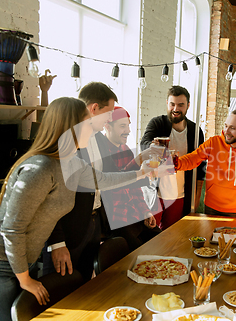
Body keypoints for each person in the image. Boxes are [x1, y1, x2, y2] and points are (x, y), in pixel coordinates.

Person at [0, 97, 153, 321]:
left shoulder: (71, 162)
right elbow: (12, 229)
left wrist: (142, 173)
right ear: (70, 127)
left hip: (21, 262)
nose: (93, 128)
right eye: (87, 123)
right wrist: (25, 279)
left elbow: (103, 180)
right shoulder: (40, 168)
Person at [43, 82, 164, 281]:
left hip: (92, 225)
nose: (110, 118)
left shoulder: (98, 140)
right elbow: (51, 198)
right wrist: (57, 242)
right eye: (109, 114)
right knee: (62, 289)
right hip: (68, 232)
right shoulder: (66, 140)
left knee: (84, 286)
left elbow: (109, 178)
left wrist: (141, 171)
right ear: (94, 109)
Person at [175, 109, 236, 226]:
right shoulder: (213, 143)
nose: (226, 131)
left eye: (233, 128)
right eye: (226, 126)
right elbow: (192, 159)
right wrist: (175, 163)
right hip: (211, 207)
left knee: (233, 243)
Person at [140, 85, 206, 229]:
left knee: (170, 236)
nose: (175, 109)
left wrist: (196, 195)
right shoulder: (157, 123)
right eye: (172, 104)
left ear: (188, 106)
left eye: (181, 105)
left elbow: (201, 165)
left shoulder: (195, 131)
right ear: (167, 103)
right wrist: (152, 146)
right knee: (149, 234)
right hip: (155, 193)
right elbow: (144, 144)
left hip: (179, 195)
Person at [98, 106, 161, 251]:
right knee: (140, 254)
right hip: (117, 220)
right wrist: (139, 159)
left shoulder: (125, 150)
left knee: (161, 242)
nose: (128, 131)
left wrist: (146, 211)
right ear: (107, 127)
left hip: (135, 215)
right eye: (122, 126)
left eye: (128, 126)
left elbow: (135, 186)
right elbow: (116, 181)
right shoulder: (103, 153)